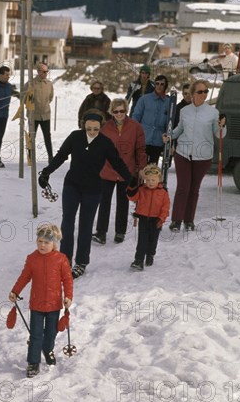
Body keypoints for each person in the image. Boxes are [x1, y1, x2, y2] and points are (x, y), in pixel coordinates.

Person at [38, 112, 133, 279]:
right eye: (89, 128)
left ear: (101, 127)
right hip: (72, 185)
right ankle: (65, 260)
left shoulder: (105, 142)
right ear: (83, 125)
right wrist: (46, 172)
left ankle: (81, 262)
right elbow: (61, 155)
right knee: (67, 222)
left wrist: (131, 180)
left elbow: (117, 163)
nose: (92, 132)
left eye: (96, 129)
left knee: (85, 225)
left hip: (93, 189)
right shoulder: (75, 137)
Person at [9, 224, 73, 378]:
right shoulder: (32, 259)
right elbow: (24, 277)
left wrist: (68, 296)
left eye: (46, 242)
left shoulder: (61, 259)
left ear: (54, 244)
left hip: (54, 304)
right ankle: (33, 361)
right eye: (40, 241)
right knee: (36, 334)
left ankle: (48, 349)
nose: (42, 245)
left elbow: (67, 279)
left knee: (51, 332)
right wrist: (15, 291)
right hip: (37, 304)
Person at [164, 80, 227, 232]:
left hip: (203, 156)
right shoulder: (185, 111)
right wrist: (170, 136)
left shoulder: (213, 113)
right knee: (183, 187)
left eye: (206, 91)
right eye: (200, 92)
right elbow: (179, 129)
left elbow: (220, 135)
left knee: (194, 189)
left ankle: (189, 220)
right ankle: (176, 220)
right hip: (183, 153)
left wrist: (222, 126)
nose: (204, 94)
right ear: (192, 94)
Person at [92, 98, 147, 245]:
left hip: (126, 170)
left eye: (122, 111)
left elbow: (141, 150)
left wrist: (142, 168)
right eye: (116, 111)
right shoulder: (105, 128)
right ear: (111, 112)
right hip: (108, 170)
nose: (119, 114)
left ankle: (120, 232)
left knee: (123, 202)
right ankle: (101, 232)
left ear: (126, 110)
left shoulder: (136, 127)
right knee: (104, 202)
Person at [126, 165, 170, 270]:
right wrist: (131, 186)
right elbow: (132, 197)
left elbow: (166, 207)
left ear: (159, 179)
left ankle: (150, 255)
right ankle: (139, 260)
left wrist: (161, 219)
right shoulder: (142, 189)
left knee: (152, 240)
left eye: (153, 180)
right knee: (142, 240)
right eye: (148, 180)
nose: (150, 182)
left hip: (156, 220)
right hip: (143, 218)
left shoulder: (163, 192)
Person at [132, 74, 170, 164]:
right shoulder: (144, 99)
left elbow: (170, 122)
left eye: (162, 84)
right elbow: (136, 117)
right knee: (139, 166)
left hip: (158, 141)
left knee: (152, 170)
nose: (159, 86)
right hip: (143, 138)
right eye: (157, 83)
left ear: (166, 86)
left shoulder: (169, 102)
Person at [23, 62, 55, 162]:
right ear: (38, 72)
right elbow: (24, 98)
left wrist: (44, 105)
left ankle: (50, 157)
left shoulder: (49, 84)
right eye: (44, 71)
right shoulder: (30, 83)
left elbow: (50, 97)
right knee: (32, 136)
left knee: (47, 136)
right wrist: (31, 106)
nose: (46, 73)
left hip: (45, 114)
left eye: (47, 72)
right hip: (33, 115)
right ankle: (30, 157)